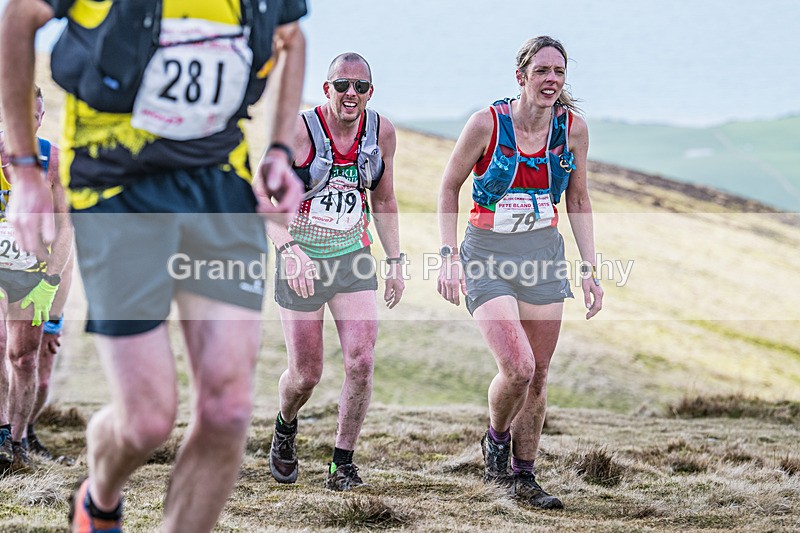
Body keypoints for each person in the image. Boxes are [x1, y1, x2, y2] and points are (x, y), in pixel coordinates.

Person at [0, 1, 306, 531]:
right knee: (146, 420)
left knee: (229, 410)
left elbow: (291, 38)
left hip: (219, 186)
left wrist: (278, 148)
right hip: (118, 188)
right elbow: (18, 17)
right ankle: (99, 500)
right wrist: (26, 171)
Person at [436, 36, 603, 509]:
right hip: (486, 254)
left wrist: (590, 269)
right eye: (542, 71)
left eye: (559, 72)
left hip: (544, 255)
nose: (552, 80)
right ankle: (496, 442)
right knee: (518, 367)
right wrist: (448, 255)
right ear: (521, 76)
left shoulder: (572, 130)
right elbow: (449, 186)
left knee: (541, 373)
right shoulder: (486, 124)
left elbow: (579, 199)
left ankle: (524, 475)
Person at [267, 52, 404, 491]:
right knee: (306, 374)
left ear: (370, 93)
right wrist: (289, 249)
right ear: (326, 89)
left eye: (360, 87)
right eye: (342, 85)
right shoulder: (298, 132)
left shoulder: (381, 132)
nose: (351, 94)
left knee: (362, 360)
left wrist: (396, 260)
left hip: (352, 256)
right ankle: (285, 427)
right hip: (301, 259)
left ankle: (341, 463)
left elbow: (383, 200)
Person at [0, 85, 73, 471]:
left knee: (24, 359)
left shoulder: (54, 160)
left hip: (31, 272)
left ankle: (17, 442)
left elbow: (65, 230)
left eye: (36, 118)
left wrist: (51, 283)